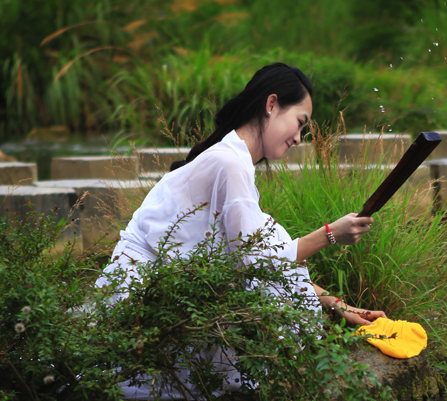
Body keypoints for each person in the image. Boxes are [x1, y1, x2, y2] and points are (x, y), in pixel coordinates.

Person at [96, 62, 385, 332]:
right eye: (300, 122)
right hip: (137, 297)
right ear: (271, 105)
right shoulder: (229, 163)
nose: (299, 138)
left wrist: (340, 306)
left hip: (158, 294)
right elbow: (256, 261)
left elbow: (267, 256)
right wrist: (330, 234)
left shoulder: (235, 162)